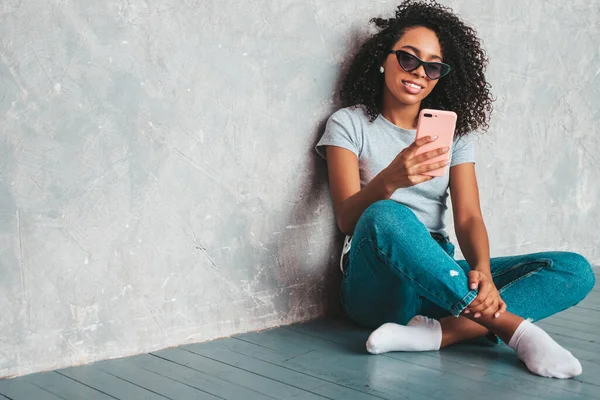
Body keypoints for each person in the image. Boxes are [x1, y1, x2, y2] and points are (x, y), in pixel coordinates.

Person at [315, 0, 595, 379]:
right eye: (408, 59)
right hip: (378, 284)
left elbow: (467, 216)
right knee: (386, 213)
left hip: (439, 275)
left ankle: (438, 335)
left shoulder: (455, 135)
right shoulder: (349, 124)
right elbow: (349, 218)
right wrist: (392, 179)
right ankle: (513, 329)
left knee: (573, 270)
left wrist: (483, 272)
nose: (419, 73)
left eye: (433, 66)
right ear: (384, 59)